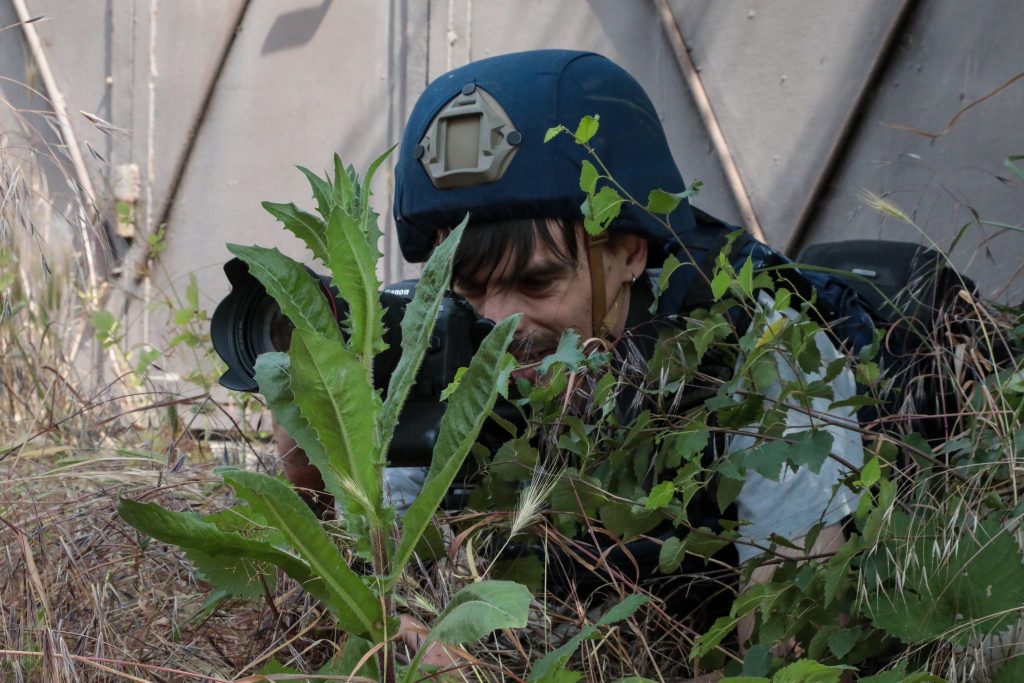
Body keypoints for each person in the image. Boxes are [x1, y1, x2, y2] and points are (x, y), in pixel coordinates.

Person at [278, 49, 866, 655]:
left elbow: (790, 648)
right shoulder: (445, 347)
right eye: (470, 290)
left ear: (631, 253)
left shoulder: (760, 353)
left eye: (538, 284)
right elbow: (392, 581)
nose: (499, 326)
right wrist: (322, 466)